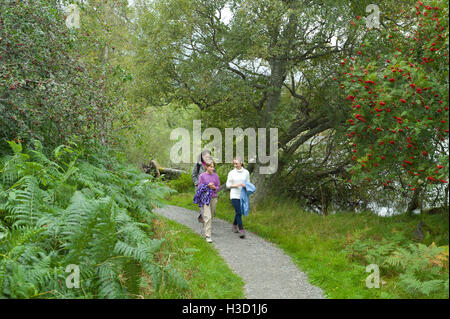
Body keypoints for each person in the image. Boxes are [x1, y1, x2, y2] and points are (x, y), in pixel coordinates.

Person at [226, 157, 250, 238]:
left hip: (242, 195)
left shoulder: (246, 172)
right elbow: (228, 185)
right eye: (234, 163)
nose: (235, 165)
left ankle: (234, 225)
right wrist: (236, 185)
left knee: (239, 212)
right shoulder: (231, 173)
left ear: (241, 163)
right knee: (239, 212)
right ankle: (241, 230)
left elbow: (248, 183)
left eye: (236, 163)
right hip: (234, 195)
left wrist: (245, 186)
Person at [197, 161, 220, 243]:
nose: (212, 168)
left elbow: (218, 187)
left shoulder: (216, 176)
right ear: (206, 167)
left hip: (213, 198)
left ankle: (205, 229)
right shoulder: (202, 176)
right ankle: (208, 236)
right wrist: (207, 185)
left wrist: (214, 187)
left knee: (211, 215)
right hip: (205, 198)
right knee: (208, 216)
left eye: (213, 167)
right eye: (210, 166)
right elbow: (199, 187)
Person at [191, 150, 213, 223]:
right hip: (199, 187)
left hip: (209, 187)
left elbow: (214, 175)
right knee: (201, 202)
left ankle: (202, 215)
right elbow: (193, 175)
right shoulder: (198, 165)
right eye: (205, 156)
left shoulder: (211, 165)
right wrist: (197, 183)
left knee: (207, 202)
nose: (207, 158)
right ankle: (203, 217)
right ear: (202, 157)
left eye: (208, 156)